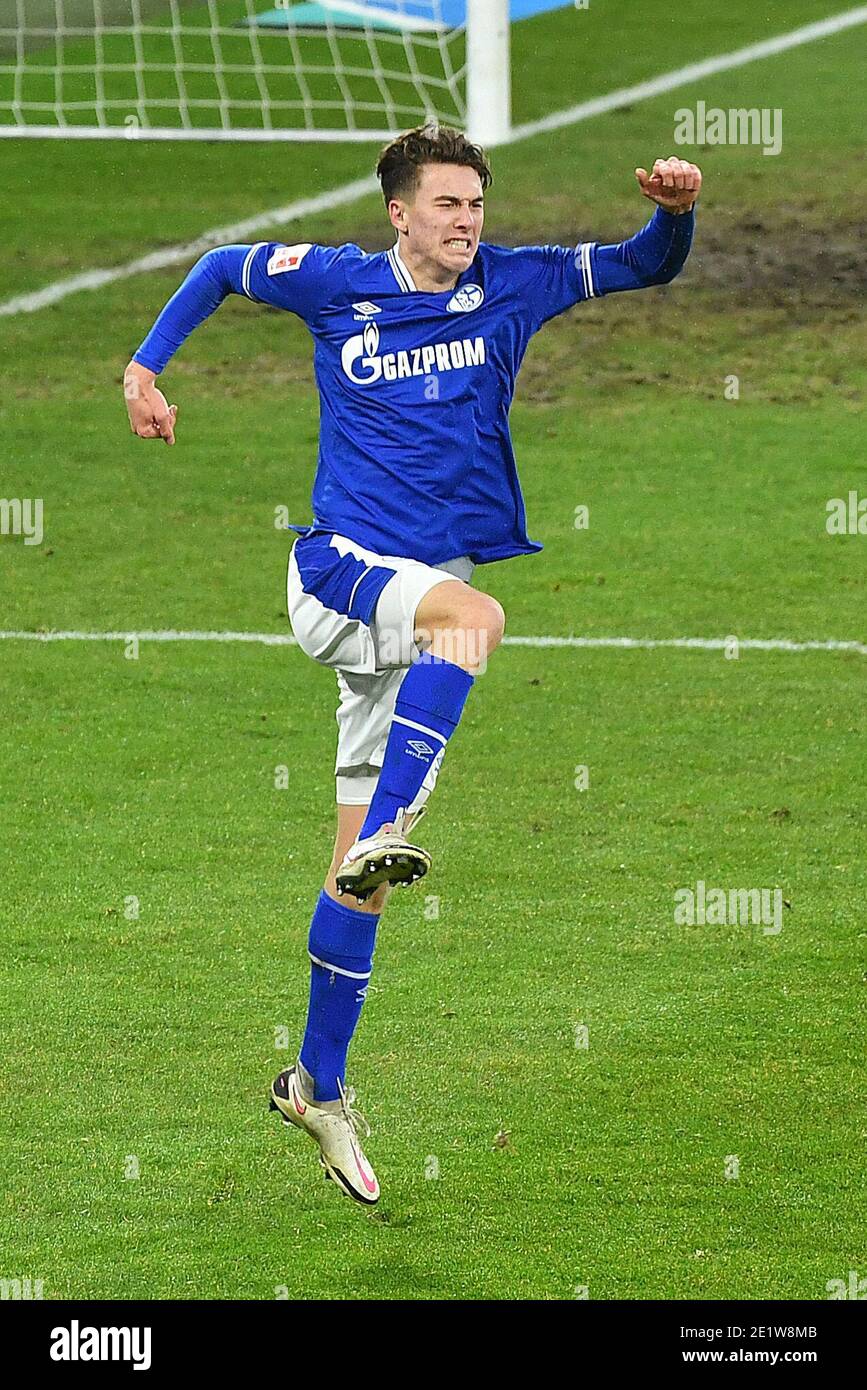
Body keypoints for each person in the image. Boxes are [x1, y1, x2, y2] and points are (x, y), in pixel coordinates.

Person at [124, 124, 701, 1206]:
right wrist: (146, 366)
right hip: (341, 573)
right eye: (446, 205)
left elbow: (641, 265)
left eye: (475, 205)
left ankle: (317, 1083)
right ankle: (396, 822)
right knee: (474, 619)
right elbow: (216, 266)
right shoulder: (337, 285)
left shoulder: (513, 285)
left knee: (357, 883)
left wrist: (674, 212)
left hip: (400, 628)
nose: (466, 223)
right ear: (399, 211)